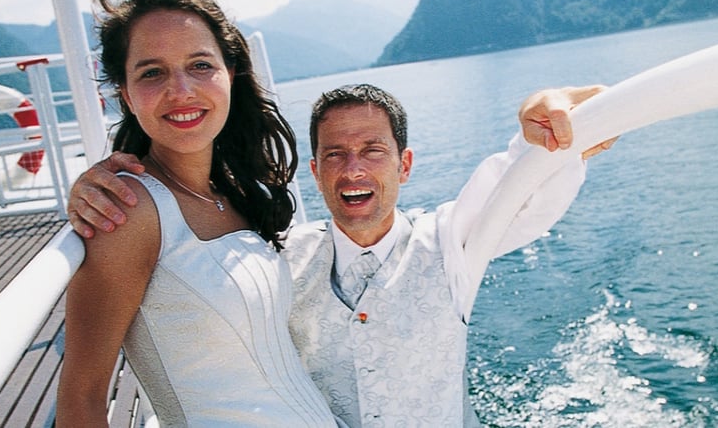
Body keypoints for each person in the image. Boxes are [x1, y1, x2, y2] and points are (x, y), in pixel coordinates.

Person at [69, 80, 611, 426]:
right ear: (315, 171)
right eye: (335, 154)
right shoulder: (276, 261)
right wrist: (104, 187)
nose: (353, 170)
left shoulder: (452, 242)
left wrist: (545, 116)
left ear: (404, 165)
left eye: (373, 151)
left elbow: (519, 189)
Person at [55, 0, 339, 426]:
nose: (182, 90)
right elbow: (82, 398)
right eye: (152, 72)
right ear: (126, 95)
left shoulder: (234, 191)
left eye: (200, 65)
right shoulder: (129, 210)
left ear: (230, 74)